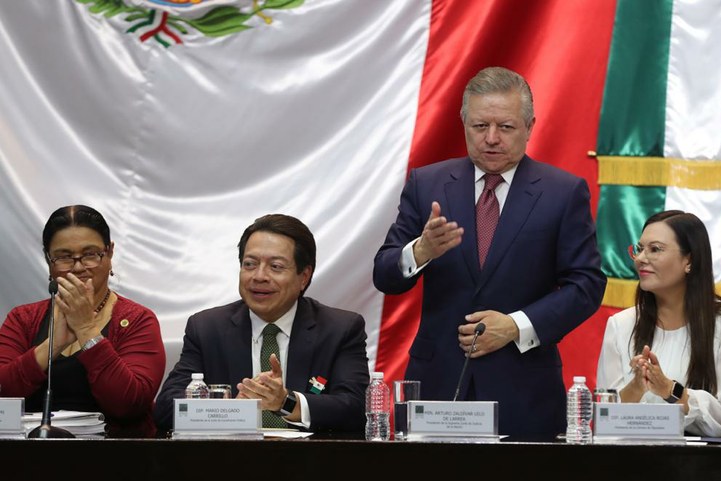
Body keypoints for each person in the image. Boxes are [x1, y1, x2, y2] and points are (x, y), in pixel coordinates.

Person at [373, 66, 607, 439]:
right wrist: (420, 251)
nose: (492, 139)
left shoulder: (563, 192)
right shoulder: (427, 183)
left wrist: (515, 326)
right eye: (480, 127)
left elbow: (587, 285)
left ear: (530, 126)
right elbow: (384, 274)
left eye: (506, 127)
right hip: (438, 385)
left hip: (523, 388)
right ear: (463, 123)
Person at [154, 214, 370, 434]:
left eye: (275, 266)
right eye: (250, 264)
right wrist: (228, 413)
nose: (259, 276)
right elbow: (165, 410)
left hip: (311, 463)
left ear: (304, 276)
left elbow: (356, 409)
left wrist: (286, 402)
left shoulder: (339, 329)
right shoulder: (207, 328)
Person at [0, 205, 166, 437]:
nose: (78, 267)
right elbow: (3, 392)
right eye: (65, 257)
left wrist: (86, 330)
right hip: (29, 456)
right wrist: (54, 344)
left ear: (109, 253)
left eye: (90, 254)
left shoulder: (138, 319)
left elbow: (129, 403)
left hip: (118, 459)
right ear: (49, 260)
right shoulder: (22, 319)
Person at [596, 210, 721, 437]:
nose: (640, 258)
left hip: (702, 465)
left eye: (655, 249)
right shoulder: (620, 325)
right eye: (639, 249)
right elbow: (604, 419)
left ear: (689, 261)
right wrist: (637, 386)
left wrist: (669, 390)